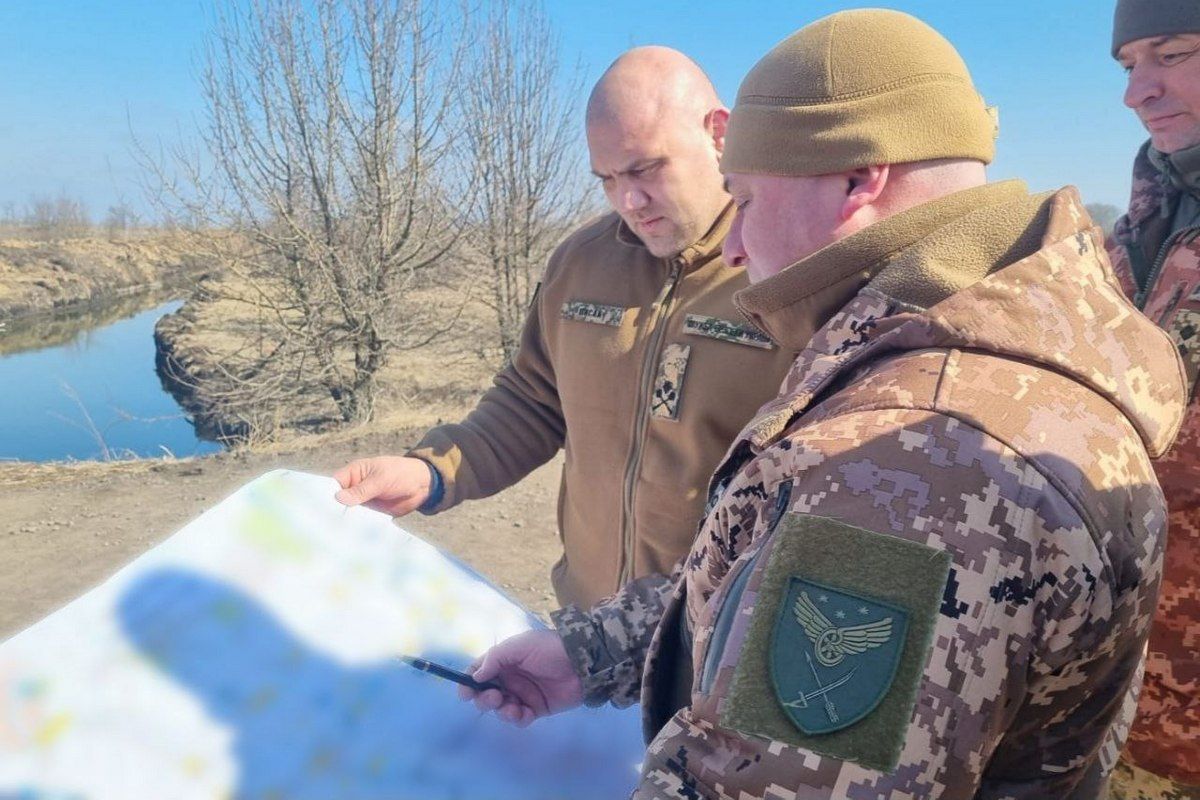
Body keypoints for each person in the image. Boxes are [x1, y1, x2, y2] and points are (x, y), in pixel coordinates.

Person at [459, 10, 1188, 798]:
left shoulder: (916, 463)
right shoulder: (997, 337)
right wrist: (594, 651)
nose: (734, 248)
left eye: (744, 198)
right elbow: (770, 578)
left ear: (857, 178)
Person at [332, 47, 794, 610]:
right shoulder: (581, 263)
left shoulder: (787, 269)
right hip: (585, 638)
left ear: (719, 132)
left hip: (719, 643)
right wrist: (430, 471)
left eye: (646, 169)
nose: (630, 200)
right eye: (607, 178)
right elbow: (533, 401)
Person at [1109, 2, 1200, 797]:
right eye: (1129, 63)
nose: (1138, 90)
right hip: (1113, 713)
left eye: (1170, 53)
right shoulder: (1127, 237)